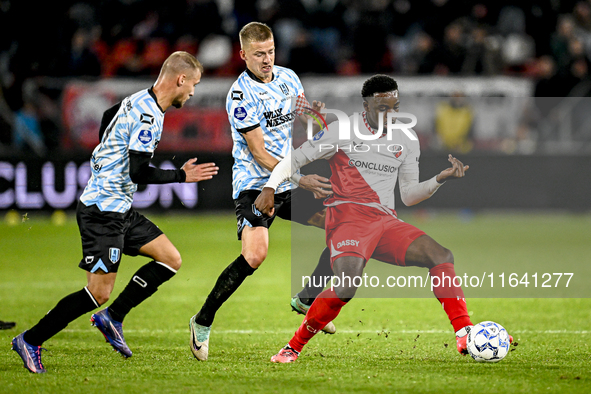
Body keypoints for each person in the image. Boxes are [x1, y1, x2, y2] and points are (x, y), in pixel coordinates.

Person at [255, 74, 512, 363]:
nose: (391, 113)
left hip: (385, 221)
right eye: (382, 107)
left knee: (441, 256)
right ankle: (292, 347)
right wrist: (269, 188)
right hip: (347, 218)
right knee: (346, 286)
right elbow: (293, 160)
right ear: (365, 105)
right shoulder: (342, 130)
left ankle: (465, 332)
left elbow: (410, 196)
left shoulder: (406, 138)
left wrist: (440, 178)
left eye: (395, 106)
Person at [11, 51, 218, 373]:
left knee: (170, 259)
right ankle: (31, 339)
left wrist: (106, 154)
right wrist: (181, 176)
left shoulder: (136, 99)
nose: (192, 93)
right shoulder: (150, 117)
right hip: (102, 212)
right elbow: (138, 172)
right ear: (180, 80)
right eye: (193, 85)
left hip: (119, 208)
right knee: (97, 292)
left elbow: (109, 115)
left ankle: (113, 317)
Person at [189, 21, 335, 361]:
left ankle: (306, 298)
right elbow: (259, 153)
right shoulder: (240, 96)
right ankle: (202, 321)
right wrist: (301, 179)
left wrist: (316, 120)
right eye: (258, 54)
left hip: (288, 180)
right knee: (254, 255)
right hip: (256, 186)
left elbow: (302, 116)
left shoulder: (288, 77)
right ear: (243, 55)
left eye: (270, 52)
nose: (266, 59)